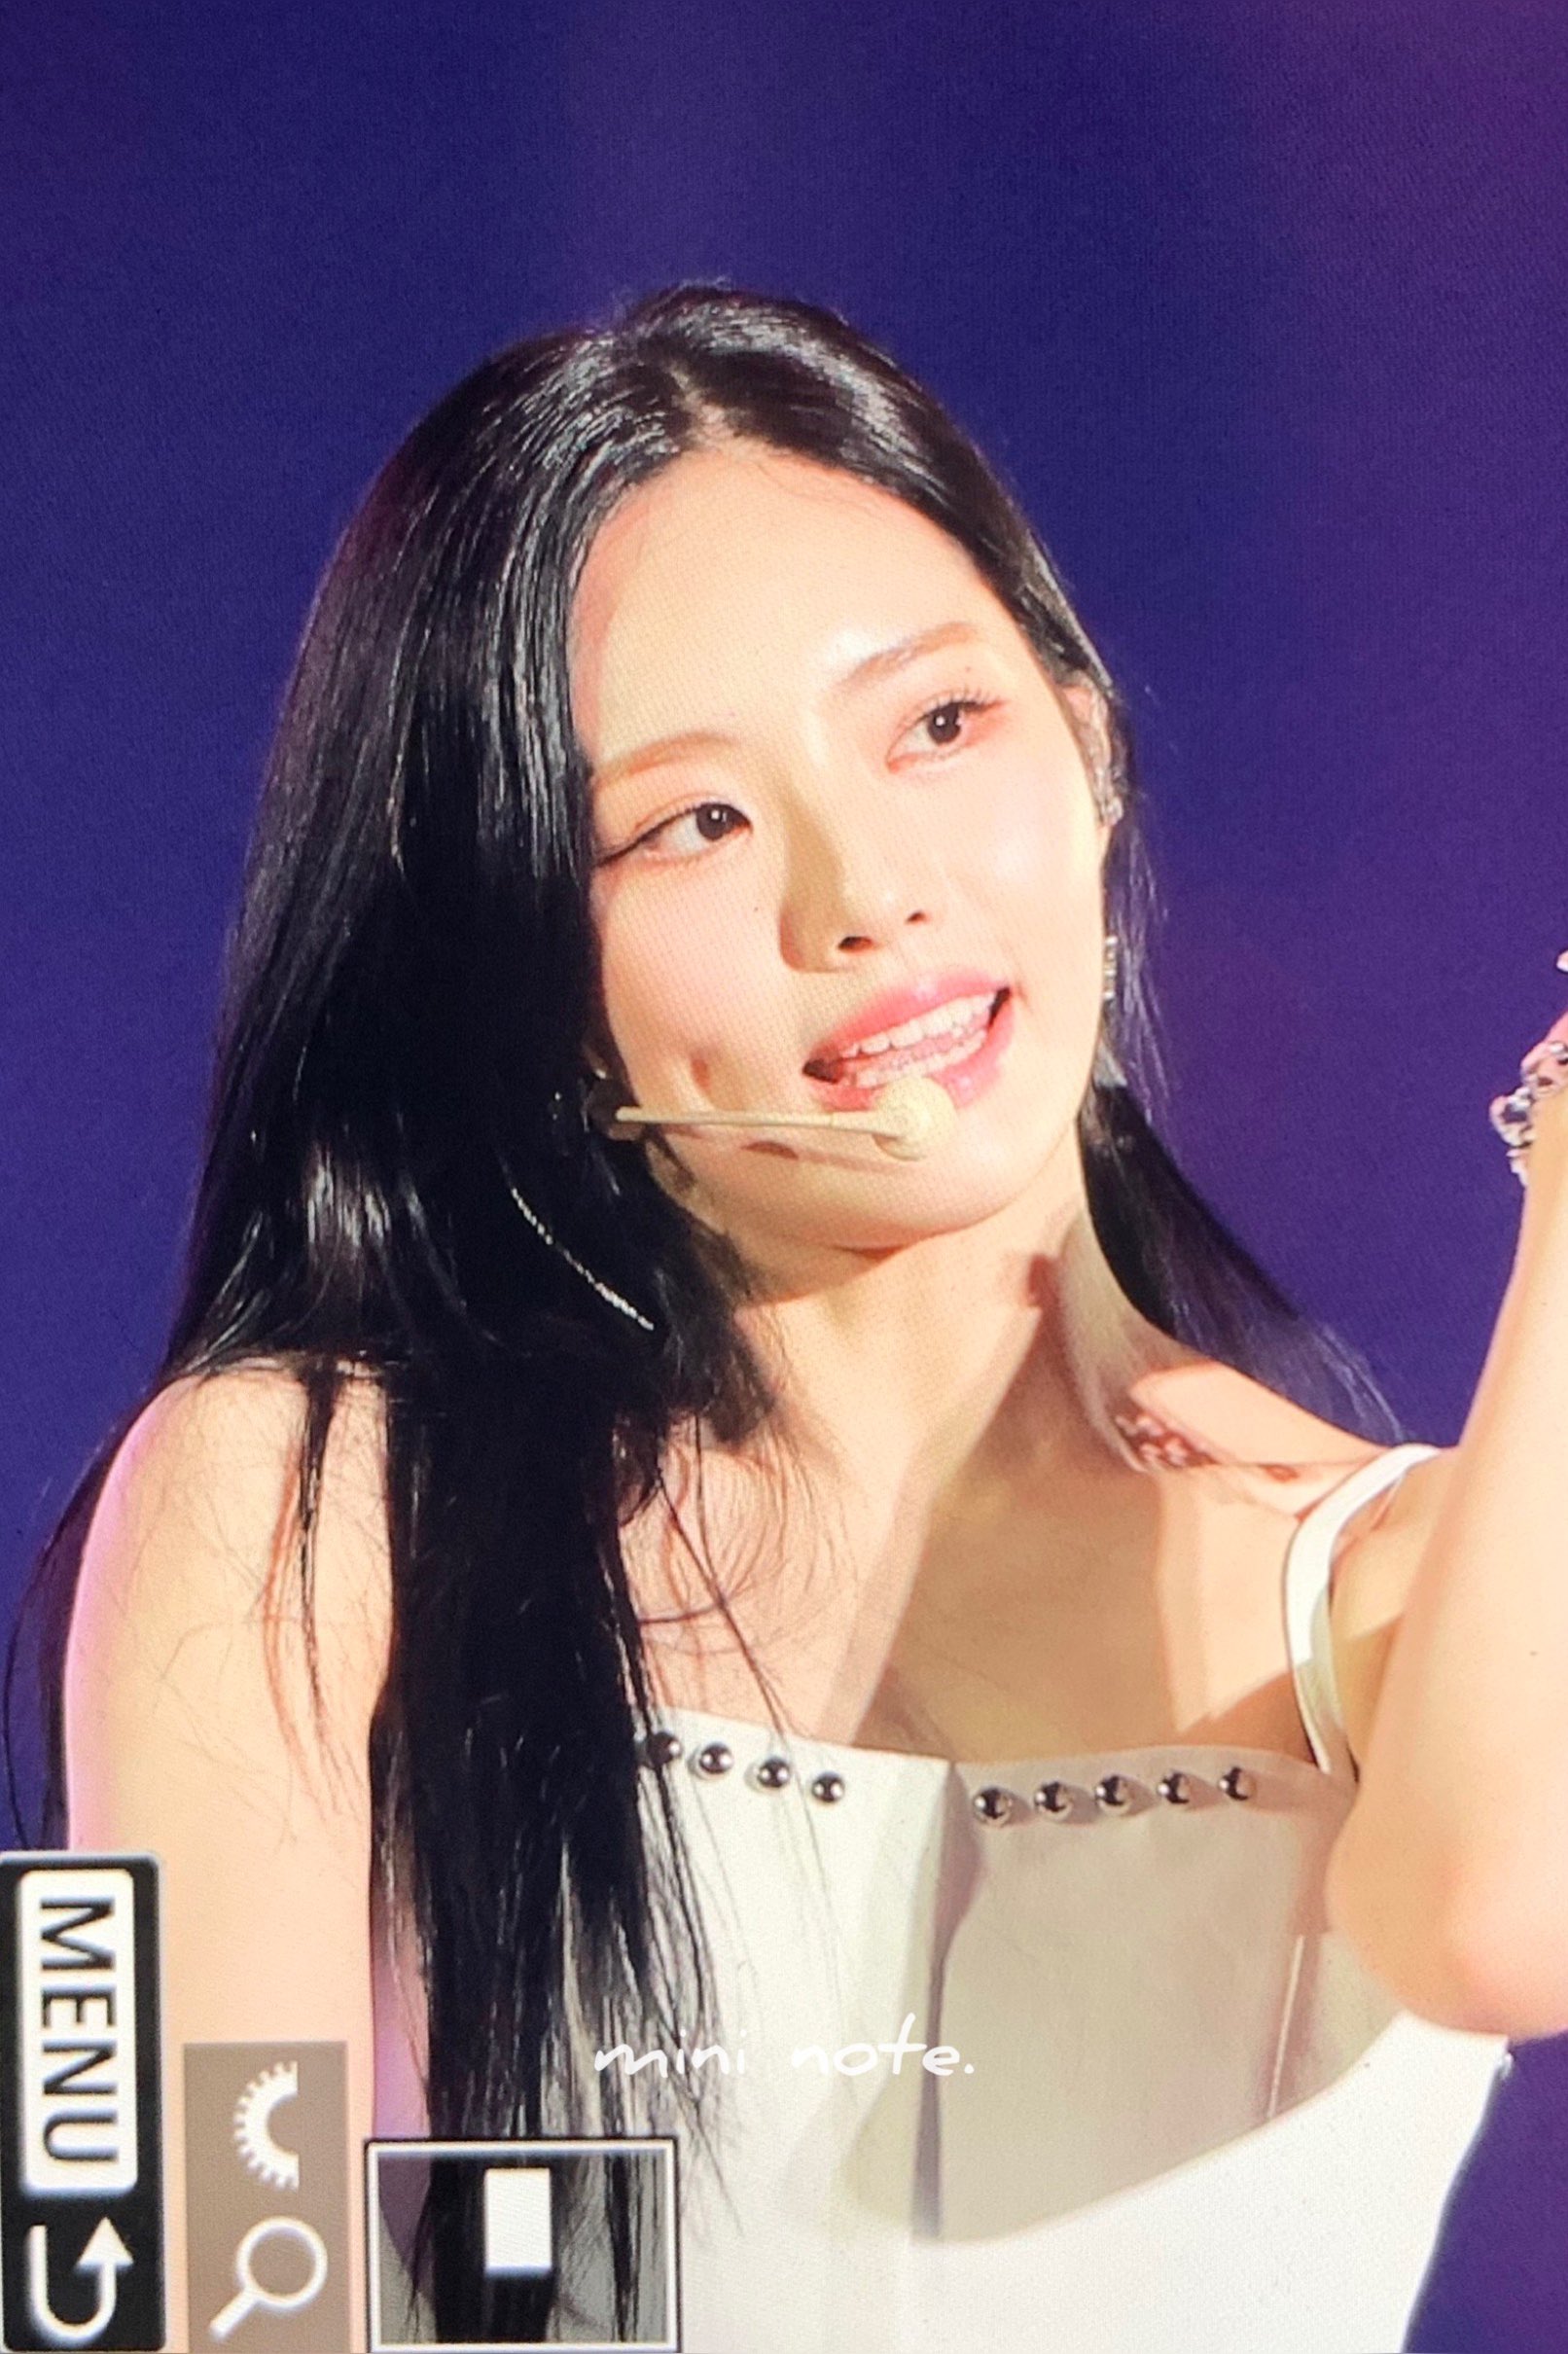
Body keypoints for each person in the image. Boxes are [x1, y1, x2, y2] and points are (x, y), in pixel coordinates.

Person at [17, 284, 1568, 2352]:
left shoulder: (1407, 1580)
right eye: (692, 823)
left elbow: (1498, 1916)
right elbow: (173, 2302)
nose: (866, 896)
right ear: (522, 968)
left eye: (939, 727)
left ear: (1090, 748)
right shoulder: (301, 1506)